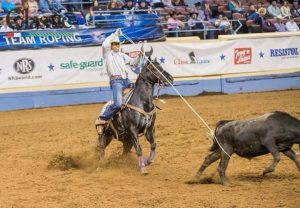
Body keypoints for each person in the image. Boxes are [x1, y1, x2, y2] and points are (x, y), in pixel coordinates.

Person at [95, 28, 143, 133]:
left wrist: (140, 56)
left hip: (126, 80)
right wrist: (114, 34)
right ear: (111, 45)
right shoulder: (107, 53)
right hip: (116, 81)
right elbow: (104, 45)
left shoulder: (122, 55)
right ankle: (102, 118)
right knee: (117, 104)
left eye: (118, 44)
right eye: (115, 44)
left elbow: (134, 63)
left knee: (138, 93)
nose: (118, 45)